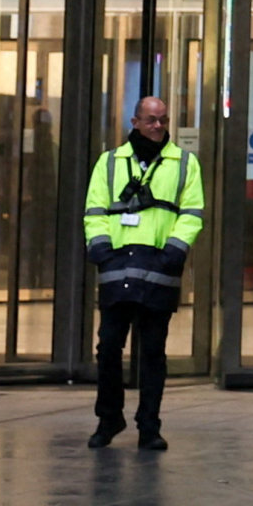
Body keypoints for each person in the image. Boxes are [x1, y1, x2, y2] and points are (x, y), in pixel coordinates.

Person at [81, 89, 205, 452]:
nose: (158, 126)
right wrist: (101, 249)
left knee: (152, 352)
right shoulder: (109, 162)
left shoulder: (184, 163)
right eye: (151, 119)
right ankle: (109, 419)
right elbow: (94, 210)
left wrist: (173, 252)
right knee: (108, 349)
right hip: (117, 266)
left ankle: (149, 426)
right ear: (134, 122)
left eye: (163, 120)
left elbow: (192, 212)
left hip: (158, 268)